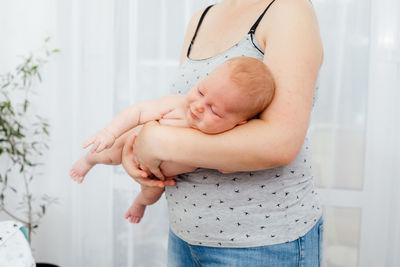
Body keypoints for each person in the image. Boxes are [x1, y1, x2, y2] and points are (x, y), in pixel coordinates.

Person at [121, 0, 324, 266]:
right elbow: (185, 110)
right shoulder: (201, 18)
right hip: (185, 236)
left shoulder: (287, 9)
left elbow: (280, 143)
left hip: (259, 244)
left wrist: (158, 141)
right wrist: (135, 148)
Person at [70, 56, 275, 223]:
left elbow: (228, 165)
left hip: (159, 178)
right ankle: (89, 160)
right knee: (110, 153)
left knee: (152, 194)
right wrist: (109, 132)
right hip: (133, 143)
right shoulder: (177, 105)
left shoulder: (227, 139)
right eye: (201, 91)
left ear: (239, 123)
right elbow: (139, 111)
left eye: (214, 110)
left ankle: (139, 203)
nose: (198, 106)